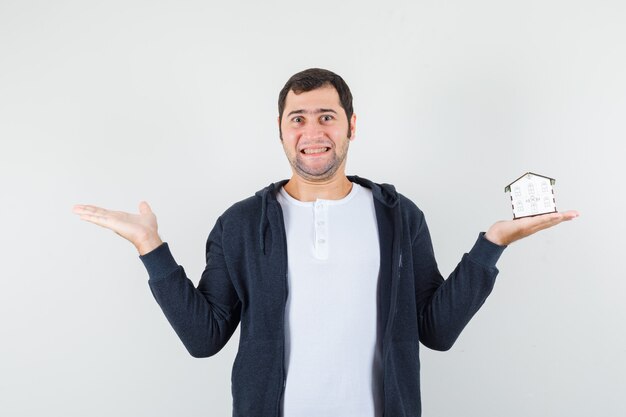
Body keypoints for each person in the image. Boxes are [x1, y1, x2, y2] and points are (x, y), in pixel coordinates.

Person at [72, 68, 579, 417]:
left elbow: (435, 330)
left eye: (326, 116)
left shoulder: (399, 217)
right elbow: (205, 338)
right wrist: (151, 250)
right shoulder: (241, 224)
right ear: (280, 131)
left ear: (351, 125)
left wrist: (492, 245)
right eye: (298, 119)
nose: (312, 131)